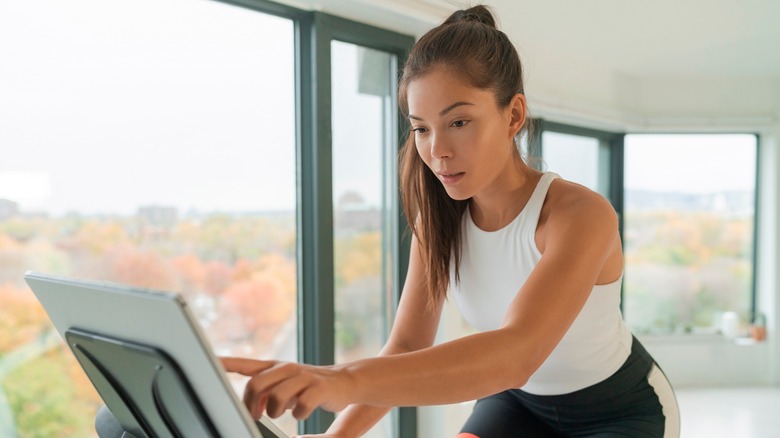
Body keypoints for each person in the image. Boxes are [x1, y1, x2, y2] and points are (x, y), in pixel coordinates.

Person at [222, 5, 680, 437]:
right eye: (421, 127)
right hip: (518, 404)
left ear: (513, 115)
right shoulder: (438, 219)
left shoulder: (580, 215)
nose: (437, 149)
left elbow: (517, 352)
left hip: (619, 410)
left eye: (458, 122)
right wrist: (337, 433)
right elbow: (407, 346)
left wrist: (341, 381)